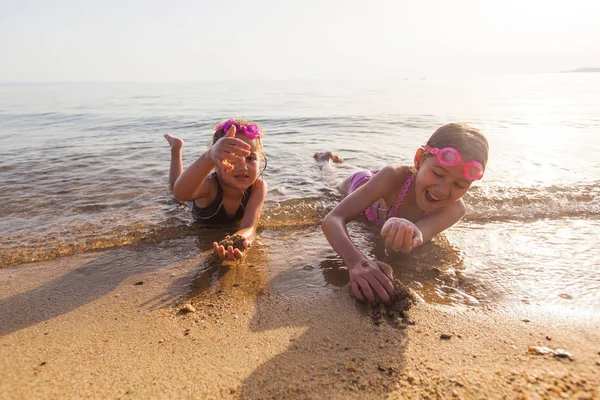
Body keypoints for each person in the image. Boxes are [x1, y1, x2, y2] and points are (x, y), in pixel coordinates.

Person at [318, 123, 489, 304]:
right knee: (329, 180)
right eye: (438, 174)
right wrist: (357, 263)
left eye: (459, 185)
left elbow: (421, 233)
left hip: (382, 202)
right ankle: (325, 161)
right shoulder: (392, 176)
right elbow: (333, 219)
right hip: (361, 184)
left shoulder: (455, 209)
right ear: (419, 159)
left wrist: (409, 234)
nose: (443, 190)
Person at [165, 119, 268, 261]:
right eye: (232, 157)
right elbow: (181, 193)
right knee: (175, 188)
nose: (243, 166)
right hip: (191, 199)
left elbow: (249, 227)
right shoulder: (209, 187)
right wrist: (209, 156)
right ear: (216, 164)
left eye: (250, 158)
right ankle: (176, 149)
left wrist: (238, 243)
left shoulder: (258, 187)